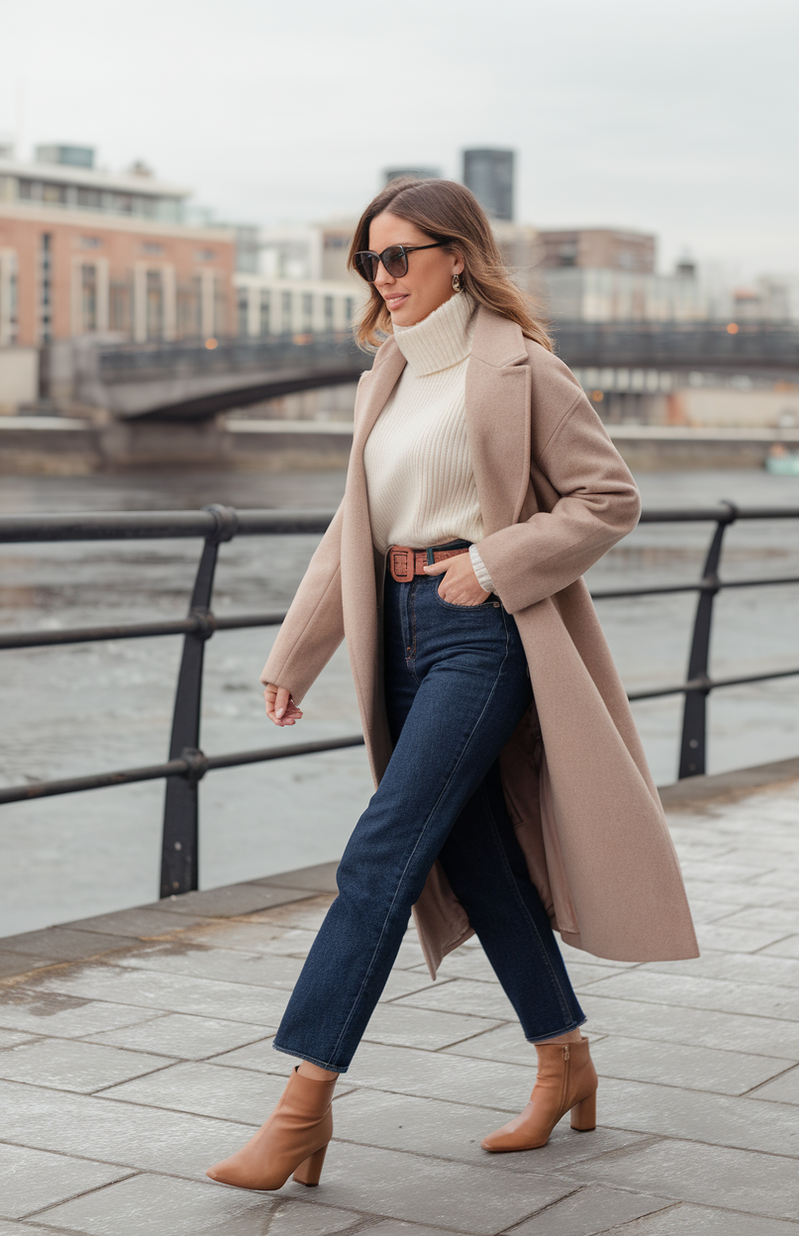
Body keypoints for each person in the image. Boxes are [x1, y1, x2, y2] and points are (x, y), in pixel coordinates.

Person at [206, 178, 697, 1193]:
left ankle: (301, 1106)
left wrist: (495, 561)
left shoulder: (520, 369)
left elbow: (610, 498)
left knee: (381, 852)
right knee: (471, 858)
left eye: (397, 257)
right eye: (367, 261)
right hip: (394, 632)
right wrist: (293, 653)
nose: (380, 278)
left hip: (482, 632)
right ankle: (562, 1059)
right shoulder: (382, 377)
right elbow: (356, 526)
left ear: (456, 256)